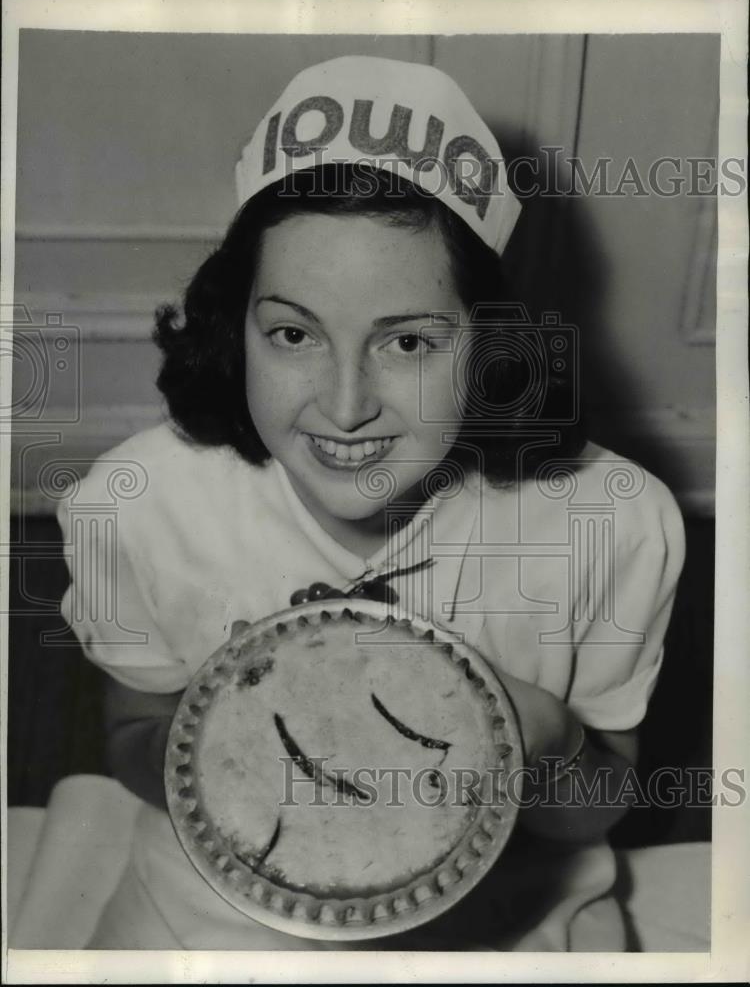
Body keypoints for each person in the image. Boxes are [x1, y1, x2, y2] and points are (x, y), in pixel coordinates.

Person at [57, 55, 685, 950]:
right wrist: (229, 737)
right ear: (236, 327)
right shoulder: (143, 504)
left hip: (497, 913)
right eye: (292, 333)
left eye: (408, 342)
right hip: (219, 907)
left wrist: (543, 739)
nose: (345, 405)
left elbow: (598, 805)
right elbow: (130, 731)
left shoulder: (609, 523)